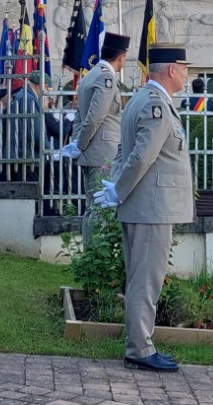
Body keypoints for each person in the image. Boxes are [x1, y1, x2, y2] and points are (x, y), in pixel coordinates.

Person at [97, 43, 193, 373]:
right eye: (183, 68)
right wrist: (119, 190)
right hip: (152, 207)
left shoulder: (142, 99)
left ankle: (141, 344)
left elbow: (126, 151)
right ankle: (139, 348)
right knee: (145, 280)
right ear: (169, 70)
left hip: (144, 205)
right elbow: (140, 156)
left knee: (142, 277)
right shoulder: (156, 106)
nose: (186, 74)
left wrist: (118, 189)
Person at [73, 32, 130, 230]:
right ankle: (95, 257)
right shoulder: (106, 79)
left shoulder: (89, 76)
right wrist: (81, 143)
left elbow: (80, 116)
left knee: (93, 207)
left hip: (91, 151)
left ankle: (91, 256)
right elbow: (95, 117)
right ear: (121, 56)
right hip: (102, 152)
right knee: (100, 210)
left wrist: (78, 144)